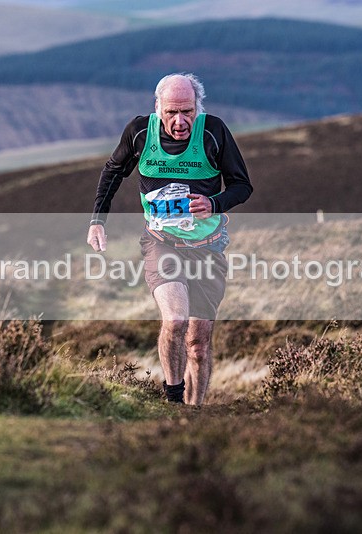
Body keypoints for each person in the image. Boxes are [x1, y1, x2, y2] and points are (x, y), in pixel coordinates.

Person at [87, 73, 252, 405]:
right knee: (175, 320)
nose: (180, 121)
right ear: (157, 106)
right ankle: (173, 402)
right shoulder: (138, 133)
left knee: (199, 344)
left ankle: (194, 413)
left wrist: (215, 203)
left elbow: (242, 185)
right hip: (161, 243)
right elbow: (112, 171)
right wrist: (97, 221)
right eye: (172, 112)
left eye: (188, 112)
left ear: (197, 108)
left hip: (208, 248)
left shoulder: (213, 133)